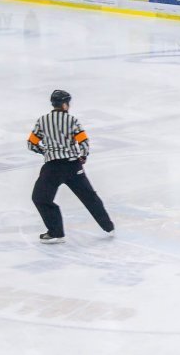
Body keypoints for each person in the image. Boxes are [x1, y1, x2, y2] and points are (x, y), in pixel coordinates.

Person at [28, 90, 115, 243]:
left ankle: (56, 233)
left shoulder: (42, 121)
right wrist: (83, 156)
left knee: (41, 198)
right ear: (64, 104)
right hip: (72, 166)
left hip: (52, 168)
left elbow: (31, 144)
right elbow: (84, 142)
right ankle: (108, 226)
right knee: (89, 197)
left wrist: (46, 152)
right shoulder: (72, 120)